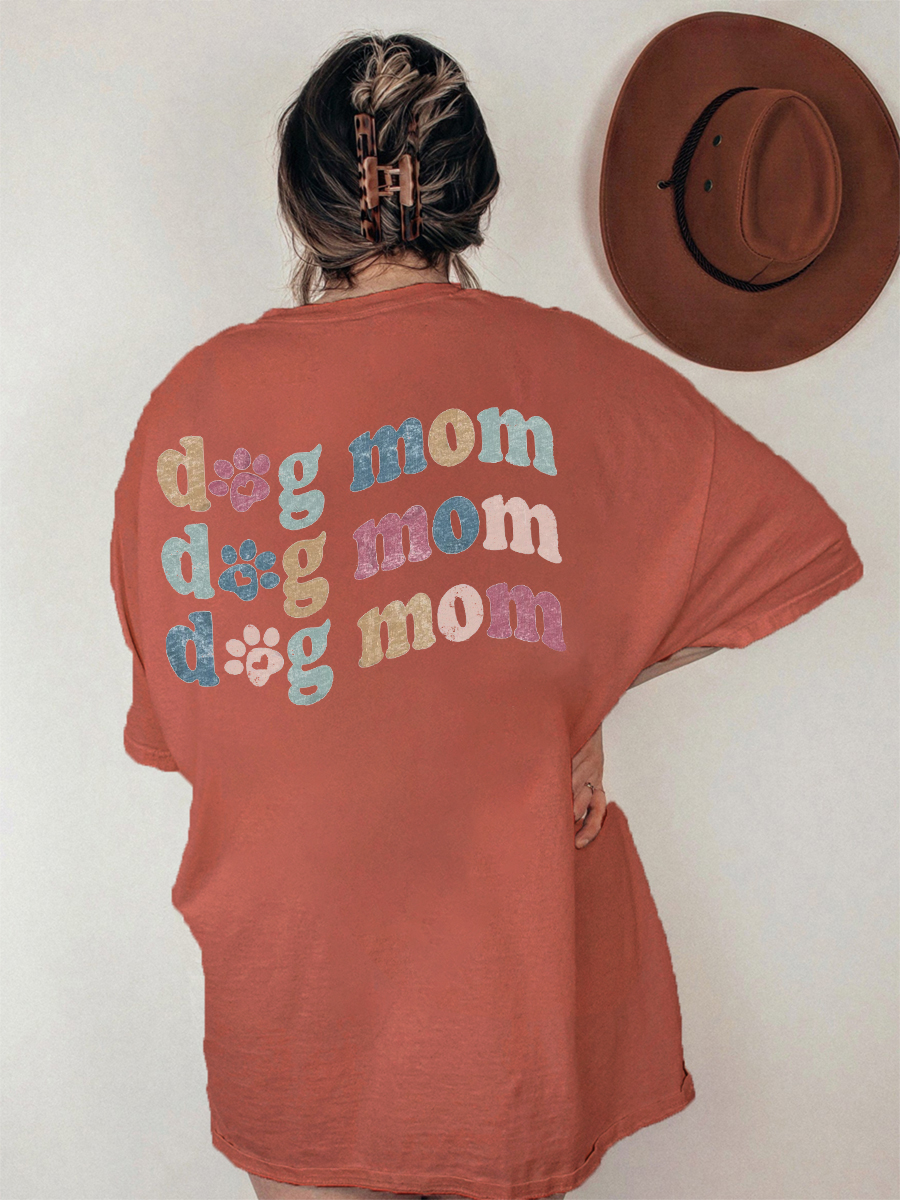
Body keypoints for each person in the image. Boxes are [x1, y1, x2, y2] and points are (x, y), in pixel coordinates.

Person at [110, 32, 864, 1200]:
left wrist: (574, 685)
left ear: (304, 203)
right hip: (497, 976)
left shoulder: (189, 405)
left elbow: (190, 708)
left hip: (291, 978)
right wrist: (584, 689)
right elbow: (791, 542)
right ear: (477, 193)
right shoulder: (573, 372)